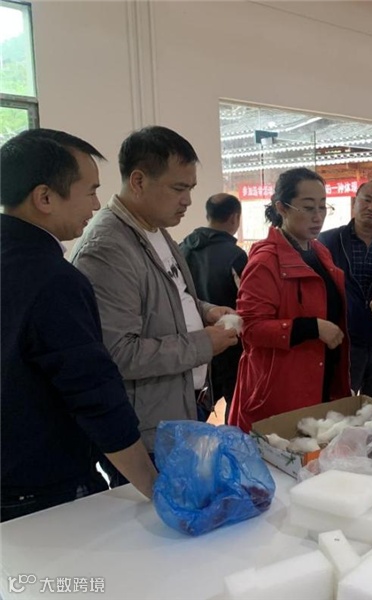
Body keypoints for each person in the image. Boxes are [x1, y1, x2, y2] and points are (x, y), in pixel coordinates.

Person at [0, 129, 157, 521]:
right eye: (90, 191)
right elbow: (93, 392)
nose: (97, 204)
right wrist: (154, 486)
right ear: (45, 198)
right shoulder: (52, 279)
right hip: (41, 487)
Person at [70, 126, 238, 460]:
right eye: (179, 188)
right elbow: (118, 353)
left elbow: (167, 295)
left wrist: (204, 310)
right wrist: (203, 343)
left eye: (190, 188)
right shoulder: (108, 248)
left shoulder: (155, 229)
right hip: (147, 425)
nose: (188, 200)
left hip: (181, 403)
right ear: (138, 181)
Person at [229, 168, 350, 433]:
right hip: (281, 389)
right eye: (307, 207)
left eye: (322, 207)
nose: (318, 216)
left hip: (321, 379)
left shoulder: (319, 252)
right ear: (282, 208)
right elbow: (250, 327)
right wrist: (312, 327)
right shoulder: (266, 261)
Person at [318, 180, 372, 400]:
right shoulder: (328, 241)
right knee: (338, 403)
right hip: (341, 338)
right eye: (366, 200)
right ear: (355, 203)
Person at [180, 193, 248, 423]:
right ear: (235, 218)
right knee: (235, 403)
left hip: (193, 343)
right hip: (229, 345)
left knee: (195, 408)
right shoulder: (235, 256)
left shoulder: (182, 248)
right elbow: (248, 301)